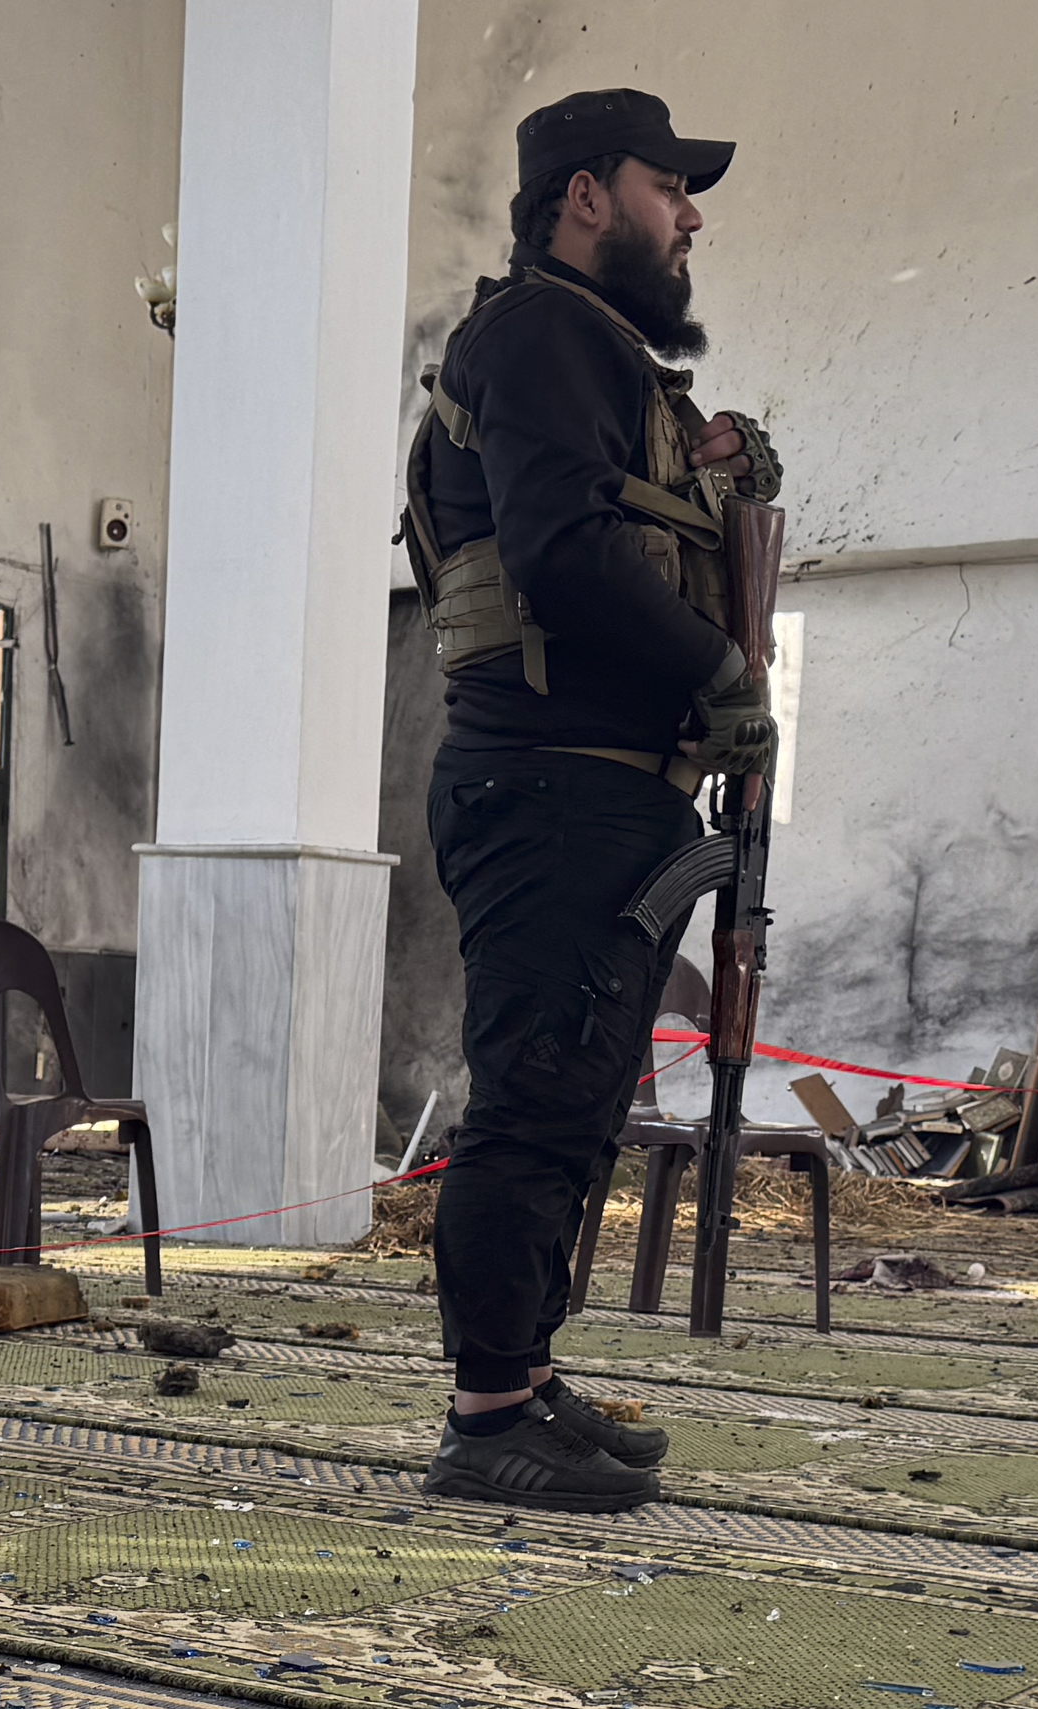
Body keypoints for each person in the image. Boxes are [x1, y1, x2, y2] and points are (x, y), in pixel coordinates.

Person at [406, 89, 783, 1511]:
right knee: (536, 1096)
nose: (688, 216)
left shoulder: (596, 351)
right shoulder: (544, 331)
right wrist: (719, 667)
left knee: (571, 1101)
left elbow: (617, 521)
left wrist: (711, 473)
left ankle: (521, 1373)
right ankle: (486, 1415)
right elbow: (562, 552)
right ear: (584, 194)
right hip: (551, 787)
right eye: (668, 186)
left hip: (599, 790)